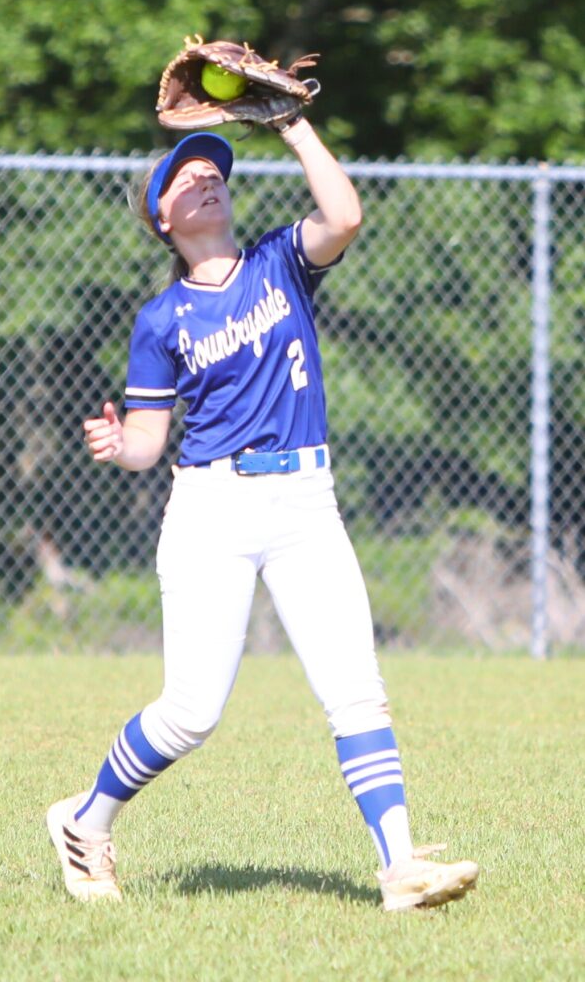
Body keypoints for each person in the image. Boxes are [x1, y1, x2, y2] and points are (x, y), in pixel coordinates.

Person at [46, 116, 479, 912]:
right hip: (211, 510)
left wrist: (295, 127)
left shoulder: (279, 262)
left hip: (306, 503)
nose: (204, 177)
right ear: (162, 220)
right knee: (190, 715)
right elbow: (147, 441)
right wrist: (117, 444)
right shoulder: (161, 319)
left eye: (212, 170)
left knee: (356, 691)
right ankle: (85, 821)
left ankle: (398, 870)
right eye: (183, 178)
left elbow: (344, 215)